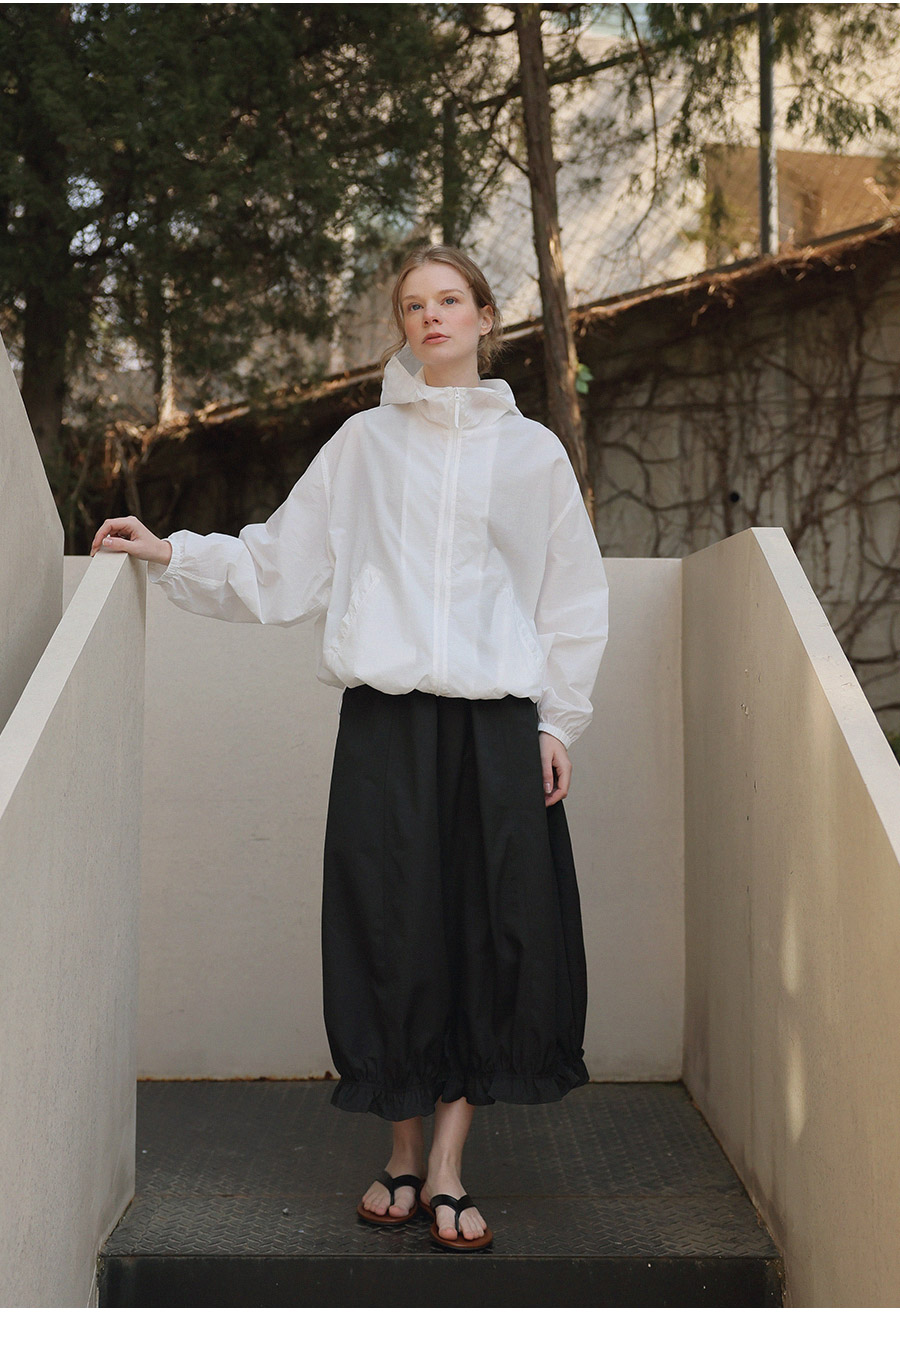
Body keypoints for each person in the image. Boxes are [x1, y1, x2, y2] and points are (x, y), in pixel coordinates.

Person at [91, 245, 609, 1253]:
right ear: (402, 324)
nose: (431, 317)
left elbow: (571, 598)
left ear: (485, 316)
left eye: (449, 300)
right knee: (389, 929)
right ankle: (402, 1152)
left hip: (498, 727)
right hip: (386, 723)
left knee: (486, 932)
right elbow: (283, 562)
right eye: (413, 305)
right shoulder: (364, 443)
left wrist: (558, 722)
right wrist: (171, 551)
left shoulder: (534, 455)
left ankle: (448, 1163)